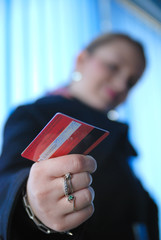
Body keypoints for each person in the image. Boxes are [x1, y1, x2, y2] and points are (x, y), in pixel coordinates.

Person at [0, 33, 159, 240]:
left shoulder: (119, 142)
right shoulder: (34, 115)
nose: (121, 85)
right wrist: (30, 201)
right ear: (81, 60)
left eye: (130, 82)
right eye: (113, 66)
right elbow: (7, 183)